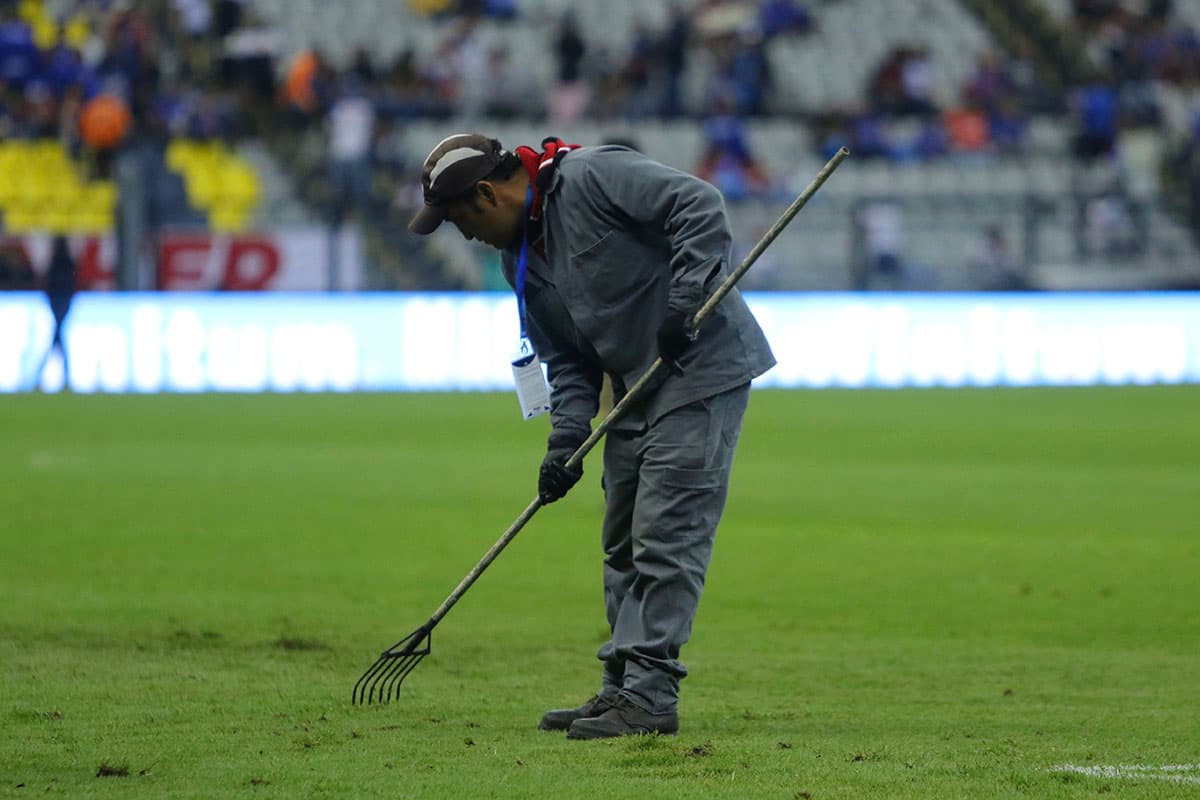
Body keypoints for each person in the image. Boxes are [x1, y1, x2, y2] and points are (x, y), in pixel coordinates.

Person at [407, 134, 775, 739]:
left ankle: (651, 696)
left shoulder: (593, 176)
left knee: (665, 536)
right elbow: (569, 361)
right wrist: (565, 442)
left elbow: (701, 204)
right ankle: (621, 689)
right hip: (630, 388)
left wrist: (685, 303)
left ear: (486, 192)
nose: (461, 233)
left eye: (458, 218)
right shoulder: (516, 261)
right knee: (623, 543)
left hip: (698, 371)